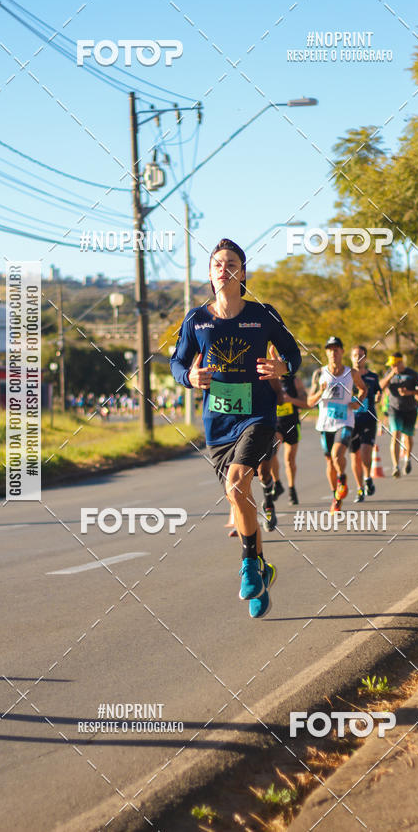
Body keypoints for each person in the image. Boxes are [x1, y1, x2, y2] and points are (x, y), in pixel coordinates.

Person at [170, 238, 301, 619]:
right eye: (217, 264)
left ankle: (247, 566)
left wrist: (283, 367)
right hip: (219, 422)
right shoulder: (196, 319)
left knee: (237, 481)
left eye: (231, 264)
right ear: (210, 274)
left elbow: (293, 353)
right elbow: (177, 363)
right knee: (238, 495)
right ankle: (261, 568)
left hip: (258, 415)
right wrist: (189, 377)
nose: (224, 269)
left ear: (243, 273)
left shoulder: (263, 314)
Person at [307, 336, 367, 513]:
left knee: (337, 454)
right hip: (325, 423)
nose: (333, 353)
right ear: (326, 353)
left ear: (342, 351)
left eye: (336, 349)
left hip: (345, 421)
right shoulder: (319, 374)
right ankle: (336, 496)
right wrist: (320, 392)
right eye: (330, 350)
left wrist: (358, 402)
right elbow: (310, 402)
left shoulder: (351, 373)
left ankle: (342, 477)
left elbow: (364, 389)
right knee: (330, 462)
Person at [380, 352, 418, 476]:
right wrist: (391, 375)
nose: (392, 367)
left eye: (394, 364)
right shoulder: (389, 373)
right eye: (391, 365)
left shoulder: (412, 374)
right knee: (395, 434)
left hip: (410, 409)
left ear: (400, 363)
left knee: (408, 436)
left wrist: (410, 392)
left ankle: (407, 459)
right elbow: (380, 387)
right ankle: (396, 466)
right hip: (394, 409)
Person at [269, 372, 308, 506]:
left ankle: (292, 489)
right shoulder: (268, 379)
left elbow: (306, 403)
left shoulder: (295, 381)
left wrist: (290, 400)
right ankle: (277, 483)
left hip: (292, 424)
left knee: (290, 460)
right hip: (276, 424)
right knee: (271, 451)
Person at [349, 345, 381, 502]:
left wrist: (379, 396)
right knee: (355, 456)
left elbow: (378, 391)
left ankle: (368, 477)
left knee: (365, 452)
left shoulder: (373, 377)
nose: (358, 358)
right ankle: (360, 488)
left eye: (361, 355)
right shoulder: (345, 376)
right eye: (355, 355)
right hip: (350, 420)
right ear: (351, 357)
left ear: (365, 358)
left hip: (368, 419)